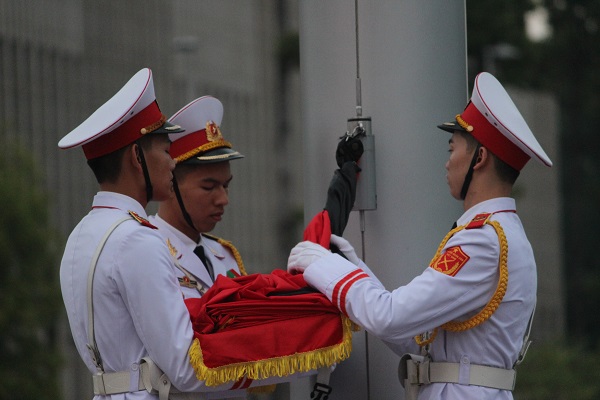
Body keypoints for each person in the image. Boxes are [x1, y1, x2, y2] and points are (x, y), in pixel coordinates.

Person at [287, 71, 552, 400]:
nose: (447, 163)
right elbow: (416, 337)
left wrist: (324, 266)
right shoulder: (503, 233)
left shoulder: (482, 239)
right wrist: (351, 267)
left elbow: (391, 318)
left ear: (480, 158)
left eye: (452, 149)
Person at [58, 69, 292, 400]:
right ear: (136, 157)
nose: (172, 163)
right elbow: (185, 366)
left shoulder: (81, 235)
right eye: (166, 152)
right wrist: (292, 355)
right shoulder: (137, 239)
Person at [149, 96, 246, 300]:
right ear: (170, 182)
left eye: (226, 186)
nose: (223, 200)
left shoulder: (226, 255)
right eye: (208, 187)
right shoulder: (148, 251)